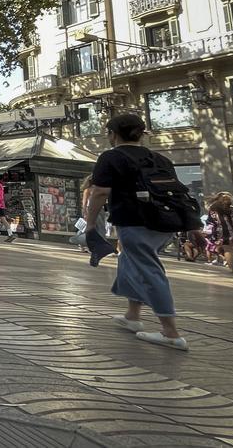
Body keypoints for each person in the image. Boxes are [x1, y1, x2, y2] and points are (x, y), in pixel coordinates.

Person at [82, 114, 191, 351]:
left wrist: (90, 224)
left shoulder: (111, 157)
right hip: (165, 223)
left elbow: (100, 192)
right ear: (141, 133)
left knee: (148, 269)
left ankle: (170, 331)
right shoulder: (159, 158)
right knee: (129, 262)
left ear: (112, 134)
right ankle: (132, 316)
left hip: (133, 221)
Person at [207, 192, 233, 276]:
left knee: (227, 250)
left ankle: (230, 269)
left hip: (223, 232)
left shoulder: (213, 211)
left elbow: (211, 222)